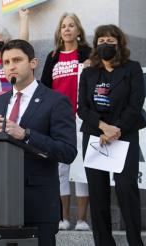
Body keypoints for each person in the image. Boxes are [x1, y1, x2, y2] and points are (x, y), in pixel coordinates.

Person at [0, 39, 77, 246]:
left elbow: (67, 151)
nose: (11, 66)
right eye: (6, 62)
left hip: (39, 205)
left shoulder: (56, 101)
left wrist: (25, 134)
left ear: (33, 63)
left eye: (17, 60)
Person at [78, 24, 146, 246]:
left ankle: (135, 241)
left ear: (119, 43)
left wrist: (115, 129)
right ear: (96, 45)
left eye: (110, 40)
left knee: (127, 190)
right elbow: (82, 107)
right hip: (96, 135)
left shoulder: (132, 68)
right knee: (98, 195)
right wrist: (103, 128)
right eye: (101, 41)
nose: (105, 44)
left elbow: (135, 104)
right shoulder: (88, 73)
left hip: (123, 134)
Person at [40, 13, 91, 231]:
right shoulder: (53, 57)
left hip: (82, 117)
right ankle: (63, 218)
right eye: (63, 26)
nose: (67, 29)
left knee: (81, 169)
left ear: (78, 31)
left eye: (71, 26)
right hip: (59, 119)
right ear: (59, 32)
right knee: (61, 169)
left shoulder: (88, 54)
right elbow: (45, 86)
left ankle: (81, 219)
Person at [0, 9, 30, 92]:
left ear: (5, 41)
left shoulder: (10, 57)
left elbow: (23, 43)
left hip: (8, 96)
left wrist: (24, 18)